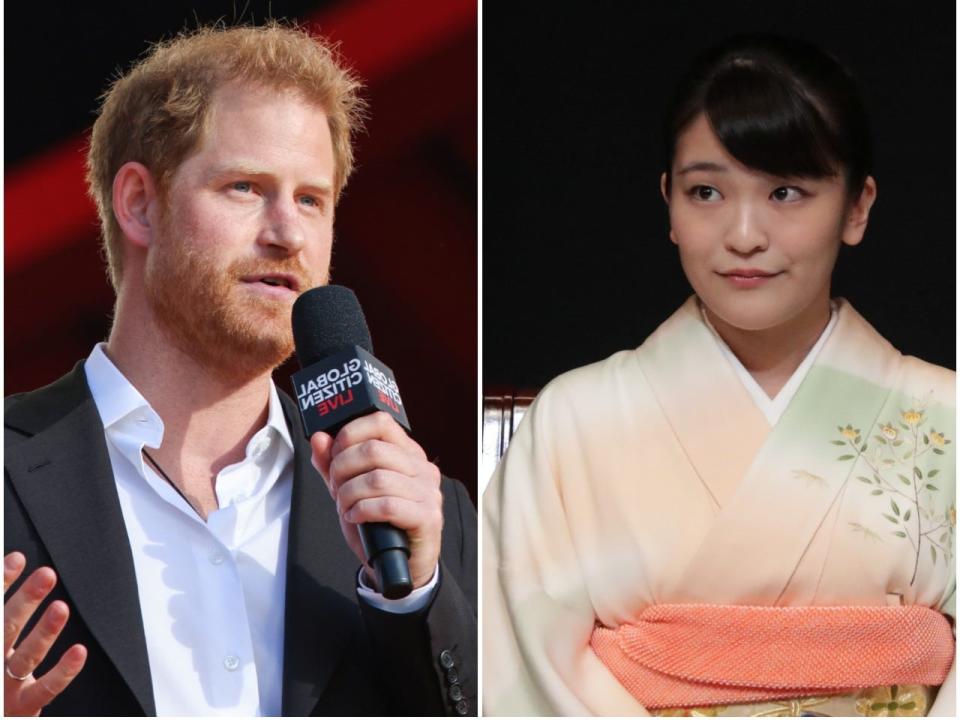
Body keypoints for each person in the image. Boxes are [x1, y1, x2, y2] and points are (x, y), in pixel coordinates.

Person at [4, 22, 476, 717]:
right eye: (246, 187)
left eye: (312, 200)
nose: (288, 233)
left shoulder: (426, 514)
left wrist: (415, 595)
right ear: (139, 203)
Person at [483, 35, 954, 717]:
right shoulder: (576, 419)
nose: (742, 234)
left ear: (857, 207)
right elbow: (519, 660)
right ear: (668, 201)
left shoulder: (943, 414)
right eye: (706, 191)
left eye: (786, 192)